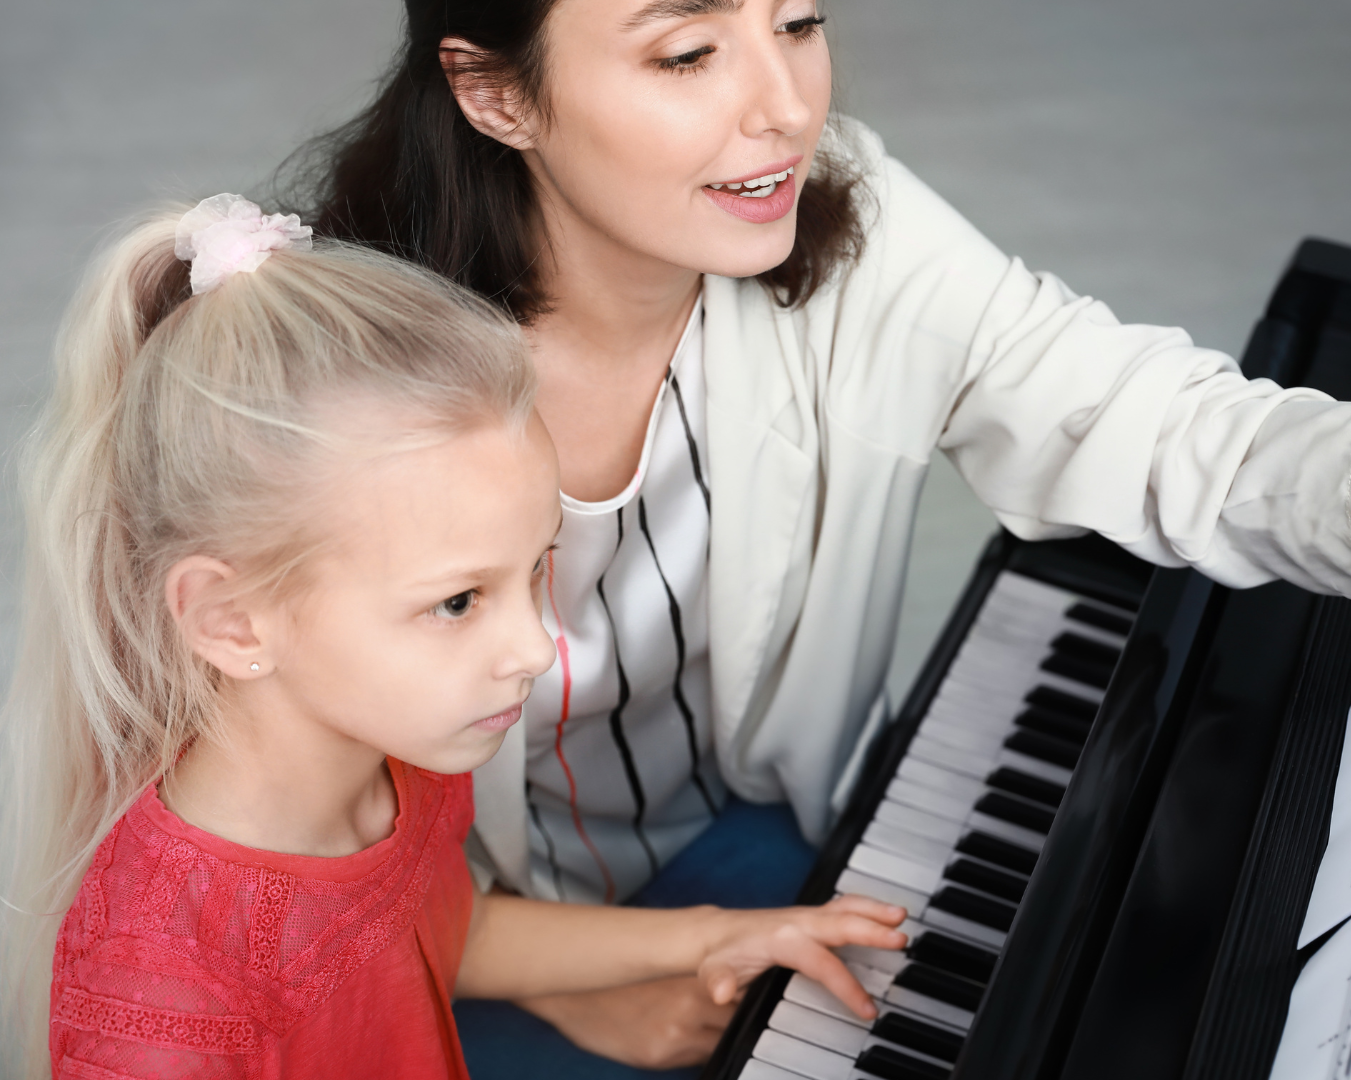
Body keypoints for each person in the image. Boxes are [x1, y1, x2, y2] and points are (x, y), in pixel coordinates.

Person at [295, 0, 1351, 1073]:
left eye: (799, 20)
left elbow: (1174, 433)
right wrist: (588, 995)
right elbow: (246, 866)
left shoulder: (855, 234)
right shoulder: (317, 387)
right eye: (688, 48)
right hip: (418, 934)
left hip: (745, 840)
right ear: (496, 92)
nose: (781, 105)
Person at [0, 198, 906, 1080]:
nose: (537, 651)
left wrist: (721, 933)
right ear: (231, 621)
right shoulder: (163, 993)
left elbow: (447, 922)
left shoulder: (400, 761)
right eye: (460, 602)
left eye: (536, 569)